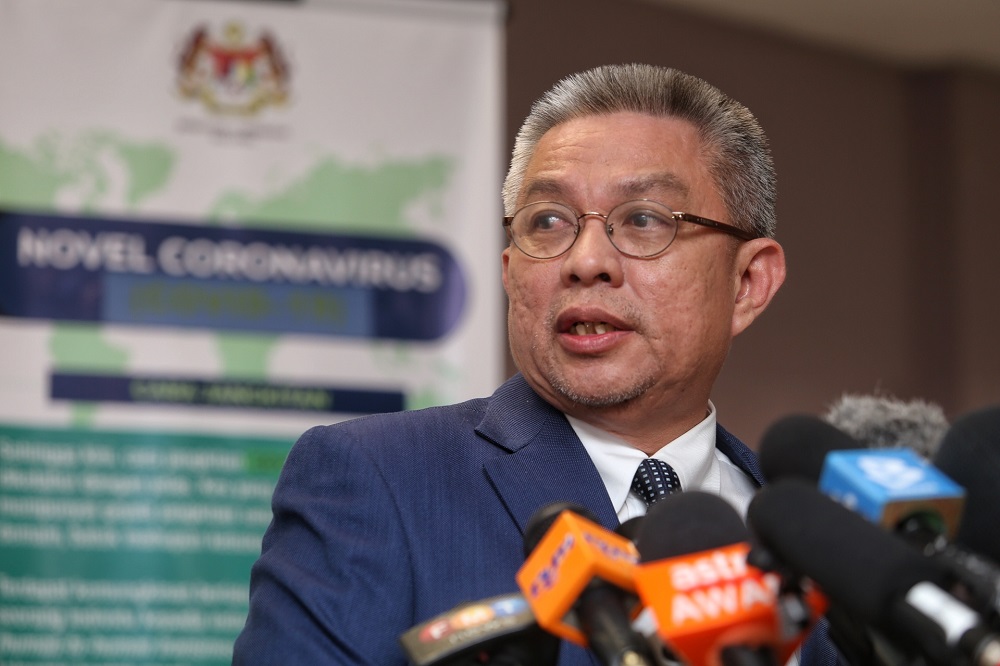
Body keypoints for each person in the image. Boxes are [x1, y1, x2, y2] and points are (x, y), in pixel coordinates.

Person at [233, 63, 843, 665]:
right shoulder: (377, 480)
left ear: (748, 283)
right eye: (548, 222)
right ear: (510, 272)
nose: (585, 261)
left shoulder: (827, 543)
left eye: (643, 219)